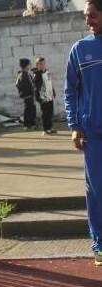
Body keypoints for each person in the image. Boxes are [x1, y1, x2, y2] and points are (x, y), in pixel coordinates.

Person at [66, 0, 102, 266]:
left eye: (92, 15)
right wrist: (75, 126)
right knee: (97, 191)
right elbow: (70, 91)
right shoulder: (80, 49)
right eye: (86, 16)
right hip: (93, 133)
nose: (88, 21)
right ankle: (100, 244)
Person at [33, 56, 57, 135]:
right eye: (40, 64)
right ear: (37, 65)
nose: (43, 65)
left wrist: (53, 91)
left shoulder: (47, 72)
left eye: (43, 63)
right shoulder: (37, 75)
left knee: (50, 113)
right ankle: (45, 129)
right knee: (45, 114)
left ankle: (50, 127)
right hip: (43, 98)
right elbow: (35, 88)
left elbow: (50, 82)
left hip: (50, 96)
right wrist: (38, 98)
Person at [15, 58, 37, 130]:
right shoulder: (23, 75)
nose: (30, 65)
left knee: (31, 109)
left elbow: (32, 83)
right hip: (27, 95)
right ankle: (27, 125)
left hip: (30, 95)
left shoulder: (27, 74)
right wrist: (28, 91)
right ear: (26, 65)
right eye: (29, 64)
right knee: (28, 110)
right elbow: (20, 85)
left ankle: (30, 124)